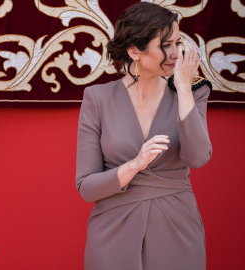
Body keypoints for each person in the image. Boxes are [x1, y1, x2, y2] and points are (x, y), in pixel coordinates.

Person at [75, 2, 212, 270]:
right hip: (113, 231)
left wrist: (184, 88)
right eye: (165, 45)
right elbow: (87, 188)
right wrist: (135, 164)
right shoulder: (98, 98)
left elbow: (198, 158)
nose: (175, 53)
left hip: (178, 227)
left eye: (177, 42)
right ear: (134, 51)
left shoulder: (194, 92)